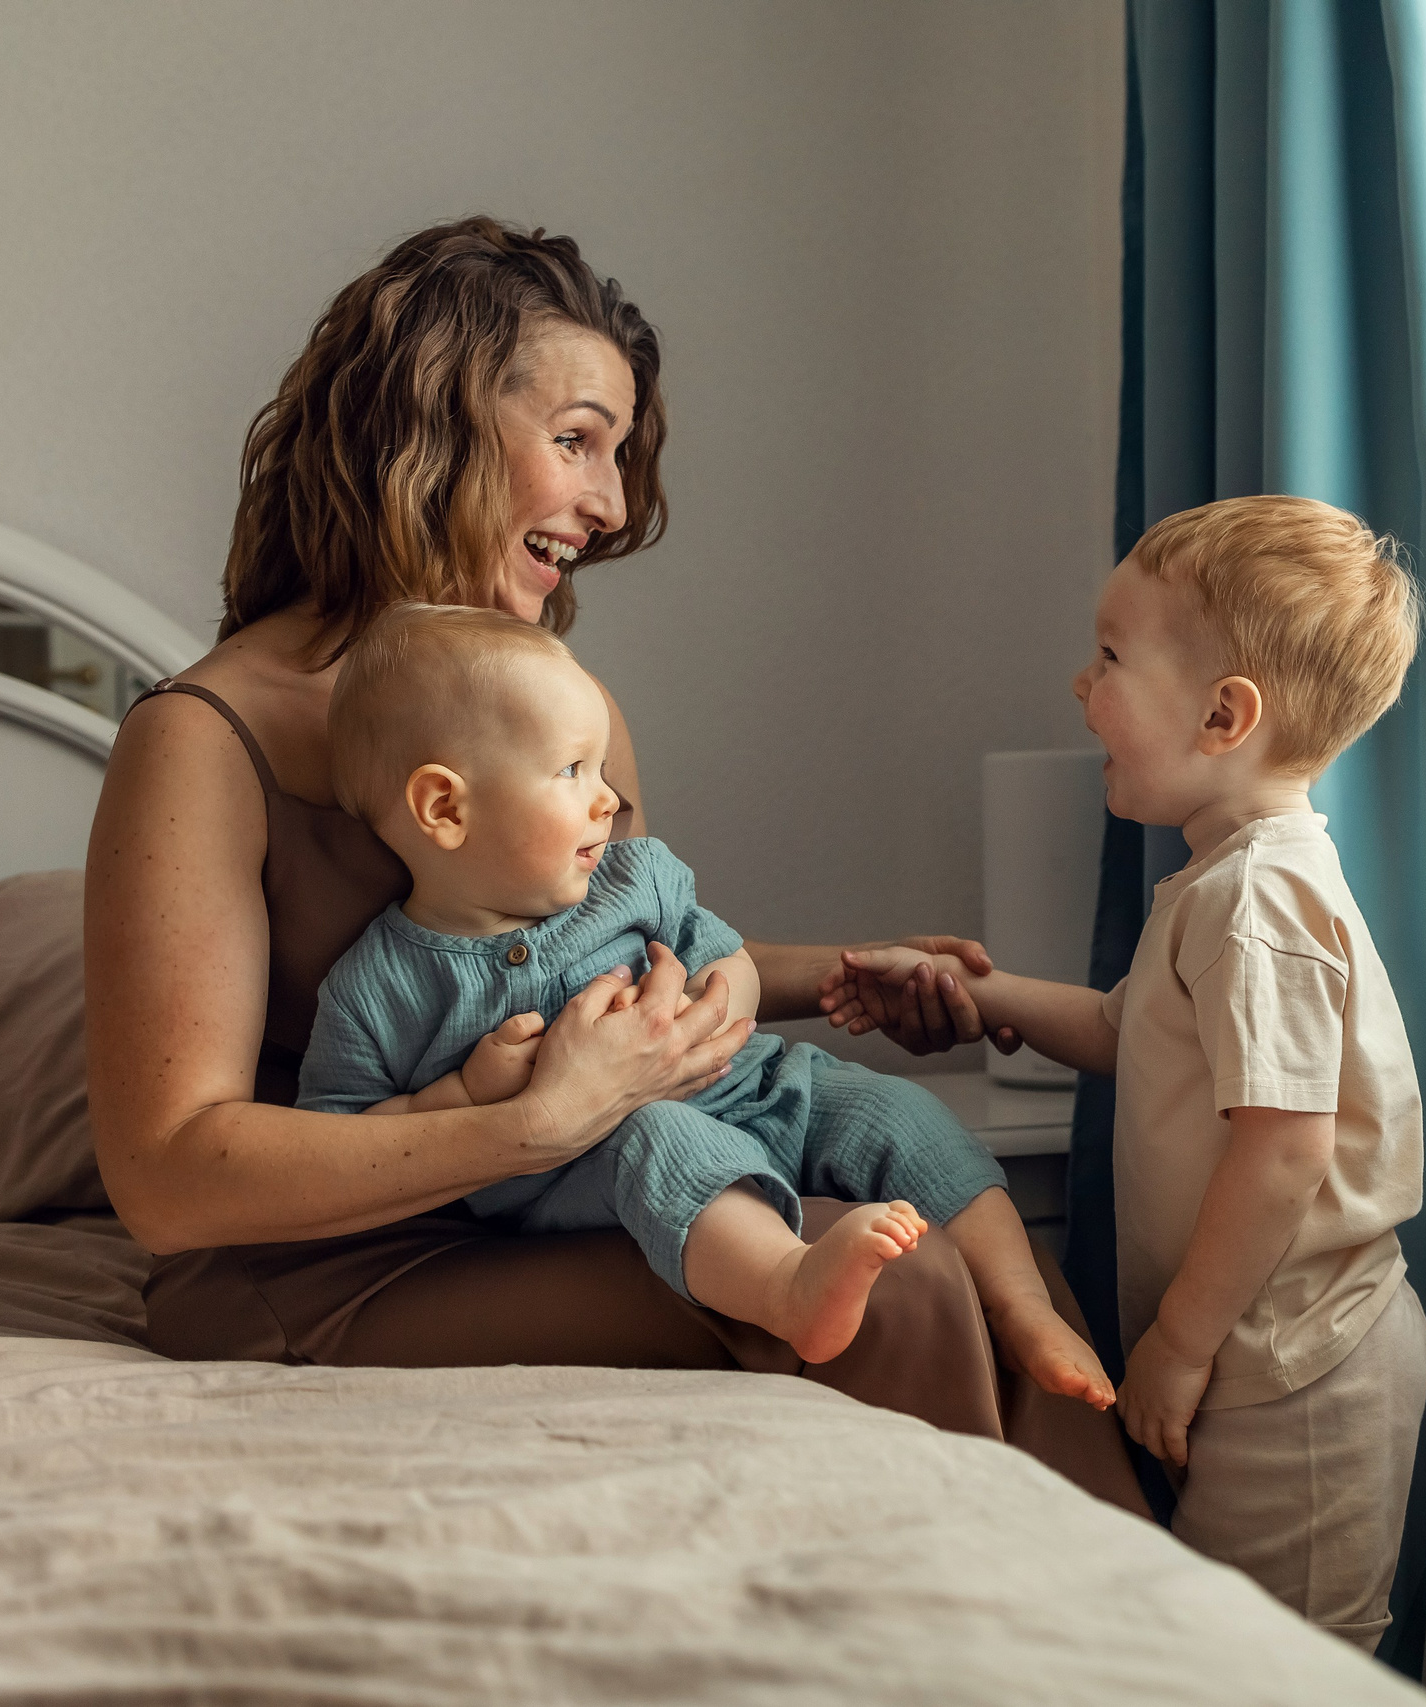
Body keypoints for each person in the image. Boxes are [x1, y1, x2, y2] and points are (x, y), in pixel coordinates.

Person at [83, 215, 1138, 1510]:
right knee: (900, 1288)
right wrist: (534, 1119)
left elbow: (632, 965)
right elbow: (172, 1179)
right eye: (578, 440)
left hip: (565, 1194)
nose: (615, 503)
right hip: (327, 1264)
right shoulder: (206, 740)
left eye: (620, 453)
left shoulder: (553, 709)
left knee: (944, 1236)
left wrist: (852, 973)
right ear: (432, 428)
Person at [826, 494, 1426, 1648]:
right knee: (1219, 1634)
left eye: (1108, 656)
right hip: (1263, 1348)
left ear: (1222, 715)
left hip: (1296, 1360)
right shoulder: (1222, 883)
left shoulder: (1259, 901)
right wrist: (979, 996)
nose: (1078, 684)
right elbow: (1127, 1033)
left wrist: (1181, 1345)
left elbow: (1284, 1147)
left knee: (1285, 1655)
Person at [294, 602, 1114, 1400]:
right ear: (446, 807)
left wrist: (712, 1005)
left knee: (896, 1109)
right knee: (657, 1136)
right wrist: (466, 1095)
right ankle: (789, 1286)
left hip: (758, 1082)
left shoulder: (633, 875)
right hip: (591, 1164)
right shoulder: (379, 987)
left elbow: (729, 960)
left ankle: (1023, 1306)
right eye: (572, 770)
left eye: (603, 769)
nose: (607, 798)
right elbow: (342, 1149)